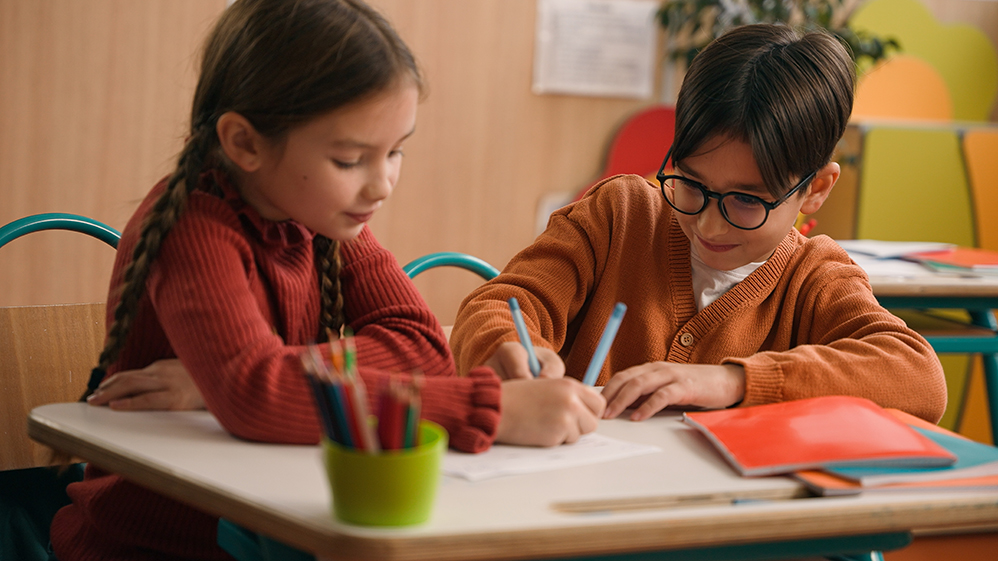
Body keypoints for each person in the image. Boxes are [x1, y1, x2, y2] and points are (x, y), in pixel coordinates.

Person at [52, 1, 603, 559]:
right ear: (245, 143)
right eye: (349, 160)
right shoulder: (194, 228)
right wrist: (489, 409)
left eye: (396, 151)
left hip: (277, 532)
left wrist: (234, 383)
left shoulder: (320, 215)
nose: (382, 185)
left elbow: (423, 349)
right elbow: (256, 394)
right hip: (156, 547)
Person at [450, 23, 947, 424]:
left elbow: (918, 376)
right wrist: (509, 350)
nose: (709, 226)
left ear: (815, 189)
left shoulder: (814, 277)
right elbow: (496, 306)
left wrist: (734, 381)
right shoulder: (619, 215)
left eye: (746, 201)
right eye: (691, 184)